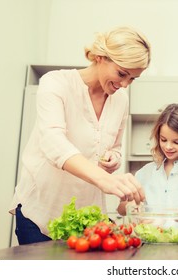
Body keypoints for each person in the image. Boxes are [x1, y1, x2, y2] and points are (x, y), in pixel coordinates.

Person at [9, 26, 151, 245]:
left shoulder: (120, 100)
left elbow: (115, 147)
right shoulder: (56, 83)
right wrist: (105, 179)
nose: (124, 84)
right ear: (100, 57)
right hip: (41, 211)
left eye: (132, 79)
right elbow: (53, 142)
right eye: (122, 73)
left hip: (87, 216)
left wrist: (113, 157)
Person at [117, 103, 178, 215]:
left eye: (177, 142)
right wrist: (131, 206)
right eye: (163, 140)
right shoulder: (145, 172)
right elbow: (121, 209)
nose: (168, 147)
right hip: (150, 233)